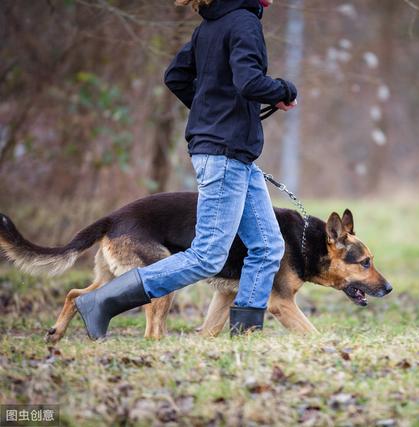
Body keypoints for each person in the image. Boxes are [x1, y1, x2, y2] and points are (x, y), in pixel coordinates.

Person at [75, 0, 298, 338]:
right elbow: (250, 83)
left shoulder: (209, 26)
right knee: (208, 255)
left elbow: (176, 76)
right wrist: (284, 90)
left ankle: (245, 337)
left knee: (267, 246)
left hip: (234, 153)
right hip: (224, 153)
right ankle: (102, 301)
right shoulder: (242, 23)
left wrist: (211, 109)